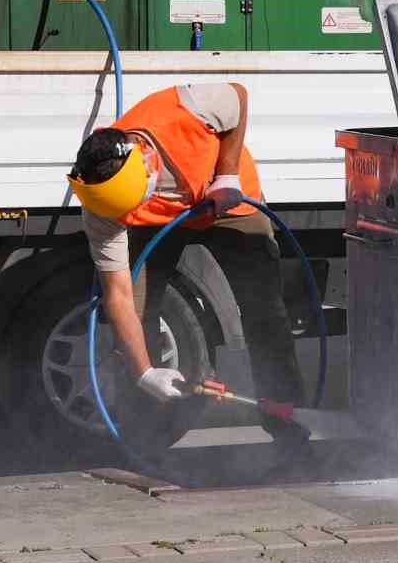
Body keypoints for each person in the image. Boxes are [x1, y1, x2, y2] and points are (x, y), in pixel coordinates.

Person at [66, 82, 307, 450]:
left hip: (226, 201)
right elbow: (118, 296)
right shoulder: (102, 203)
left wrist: (227, 173)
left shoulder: (182, 112)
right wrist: (146, 373)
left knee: (265, 312)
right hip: (155, 225)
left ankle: (289, 428)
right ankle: (143, 438)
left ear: (145, 162)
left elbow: (238, 96)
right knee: (137, 313)